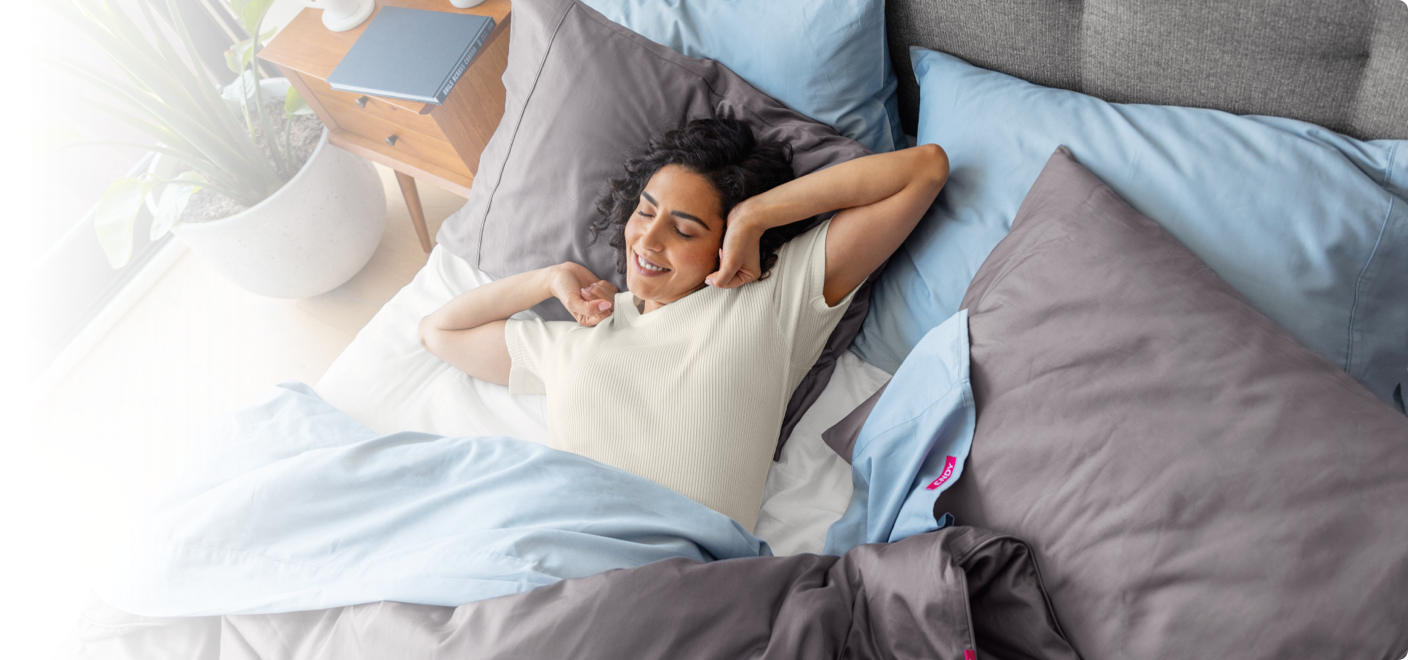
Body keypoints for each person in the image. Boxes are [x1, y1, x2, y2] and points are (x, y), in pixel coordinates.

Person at [420, 119, 948, 532]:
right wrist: (548, 279)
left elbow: (923, 169)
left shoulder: (771, 297)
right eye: (645, 212)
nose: (649, 241)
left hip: (677, 570)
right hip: (556, 545)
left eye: (684, 230)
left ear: (725, 244)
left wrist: (754, 216)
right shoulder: (583, 334)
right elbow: (438, 332)